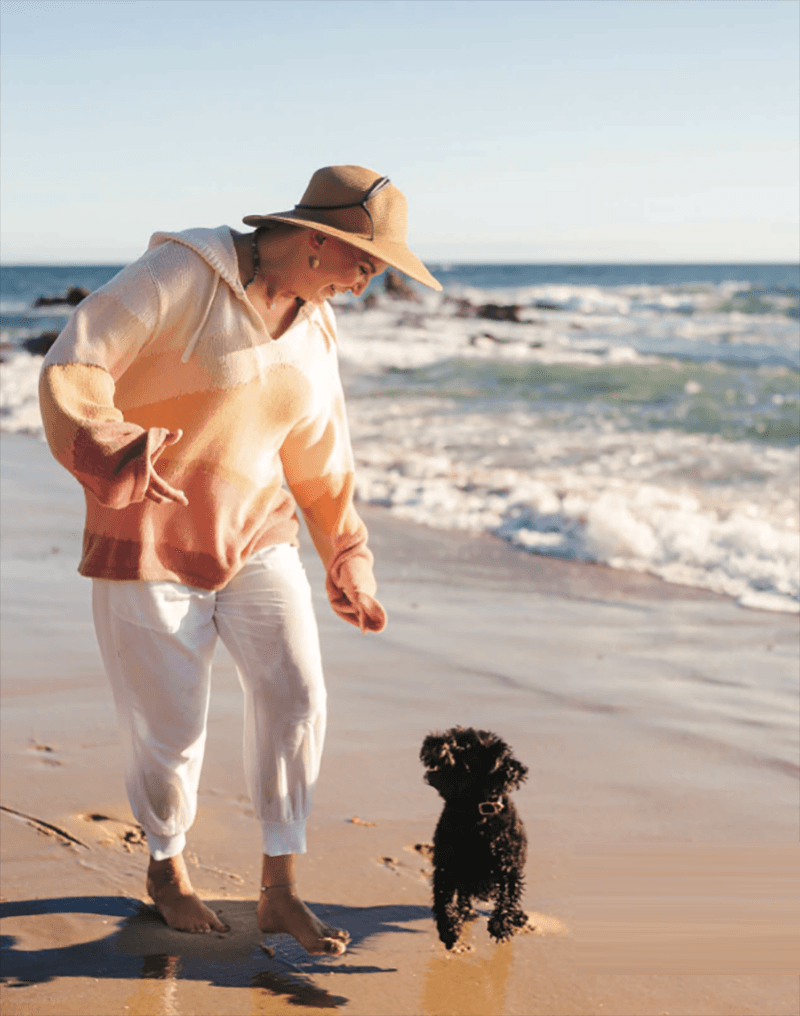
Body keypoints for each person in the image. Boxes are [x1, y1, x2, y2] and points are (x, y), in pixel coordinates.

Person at [38, 165, 442, 955]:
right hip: (150, 538)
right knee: (171, 728)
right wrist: (113, 445)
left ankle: (280, 889)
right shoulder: (182, 273)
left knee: (297, 693)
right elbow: (74, 361)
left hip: (259, 537)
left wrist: (348, 552)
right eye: (367, 265)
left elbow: (321, 454)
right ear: (321, 244)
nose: (367, 286)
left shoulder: (316, 322)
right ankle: (166, 868)